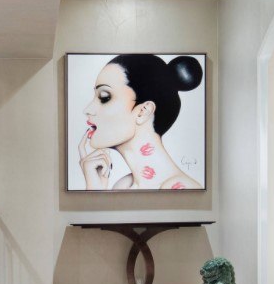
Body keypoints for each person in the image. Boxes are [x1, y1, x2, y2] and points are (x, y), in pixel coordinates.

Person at [79, 54, 203, 190]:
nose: (87, 109)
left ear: (143, 111)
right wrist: (94, 189)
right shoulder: (123, 186)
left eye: (104, 97)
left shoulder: (181, 189)